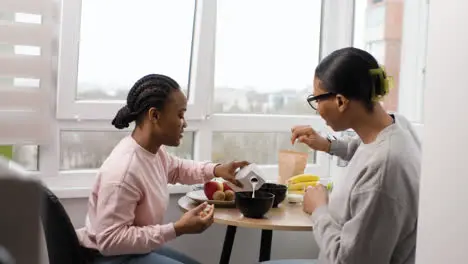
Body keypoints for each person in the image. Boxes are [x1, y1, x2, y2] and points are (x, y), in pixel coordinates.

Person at [263, 47, 421, 264]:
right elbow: (366, 149)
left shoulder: (382, 171)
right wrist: (327, 145)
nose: (317, 108)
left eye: (317, 99)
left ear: (340, 101)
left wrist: (319, 209)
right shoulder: (398, 126)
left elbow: (348, 261)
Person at [76, 73, 249, 264]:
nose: (185, 123)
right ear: (155, 115)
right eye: (180, 115)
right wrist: (177, 228)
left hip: (132, 251)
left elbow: (177, 168)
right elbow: (110, 241)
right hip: (109, 257)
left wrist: (217, 170)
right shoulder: (124, 172)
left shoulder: (152, 152)